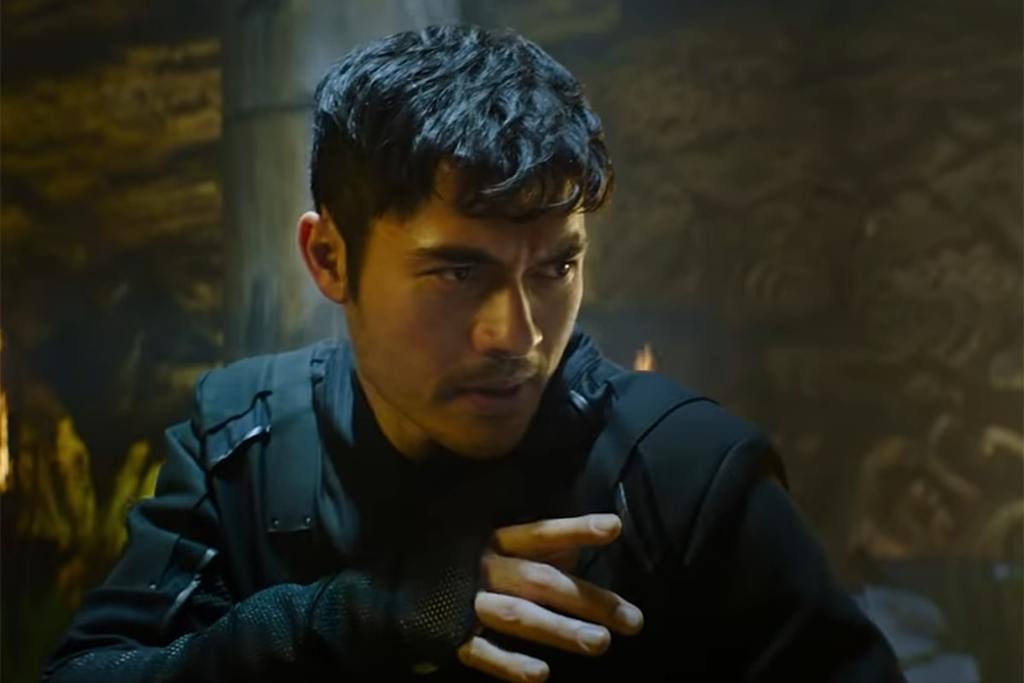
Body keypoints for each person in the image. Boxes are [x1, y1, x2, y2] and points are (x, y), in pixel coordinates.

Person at [43, 25, 905, 682]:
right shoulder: (245, 442)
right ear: (330, 257)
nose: (517, 334)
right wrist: (350, 617)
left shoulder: (686, 477)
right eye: (458, 272)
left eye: (555, 267)